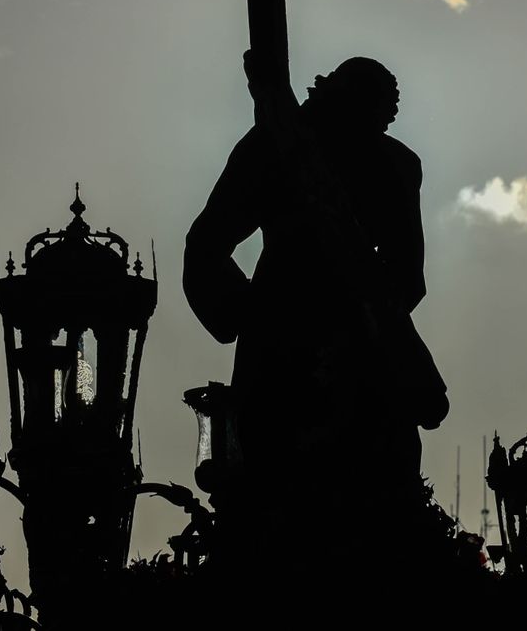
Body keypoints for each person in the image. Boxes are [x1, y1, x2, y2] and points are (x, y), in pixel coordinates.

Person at [184, 53, 447, 575]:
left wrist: (251, 316)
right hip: (303, 348)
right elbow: (207, 244)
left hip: (342, 351)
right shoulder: (278, 148)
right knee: (283, 498)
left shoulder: (382, 162)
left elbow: (205, 245)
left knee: (357, 502)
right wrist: (247, 317)